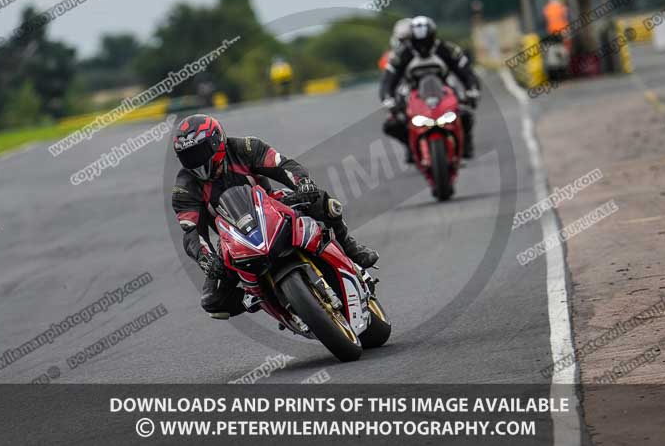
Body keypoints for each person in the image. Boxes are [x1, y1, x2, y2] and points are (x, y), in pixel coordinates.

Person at [171, 114, 379, 319]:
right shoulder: (184, 188)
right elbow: (191, 232)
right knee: (213, 301)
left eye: (200, 152)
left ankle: (350, 248)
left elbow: (282, 165)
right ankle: (261, 298)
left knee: (325, 204)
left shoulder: (246, 148)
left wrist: (302, 183)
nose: (196, 162)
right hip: (233, 237)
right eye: (188, 157)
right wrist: (204, 257)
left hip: (273, 206)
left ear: (217, 141)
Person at [379, 16, 480, 160]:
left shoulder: (447, 49)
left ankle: (465, 143)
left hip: (445, 91)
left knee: (465, 114)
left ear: (433, 36)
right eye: (417, 42)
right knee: (392, 124)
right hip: (414, 94)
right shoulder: (402, 55)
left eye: (426, 41)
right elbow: (388, 81)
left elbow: (466, 72)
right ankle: (411, 146)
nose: (423, 46)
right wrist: (389, 100)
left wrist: (472, 91)